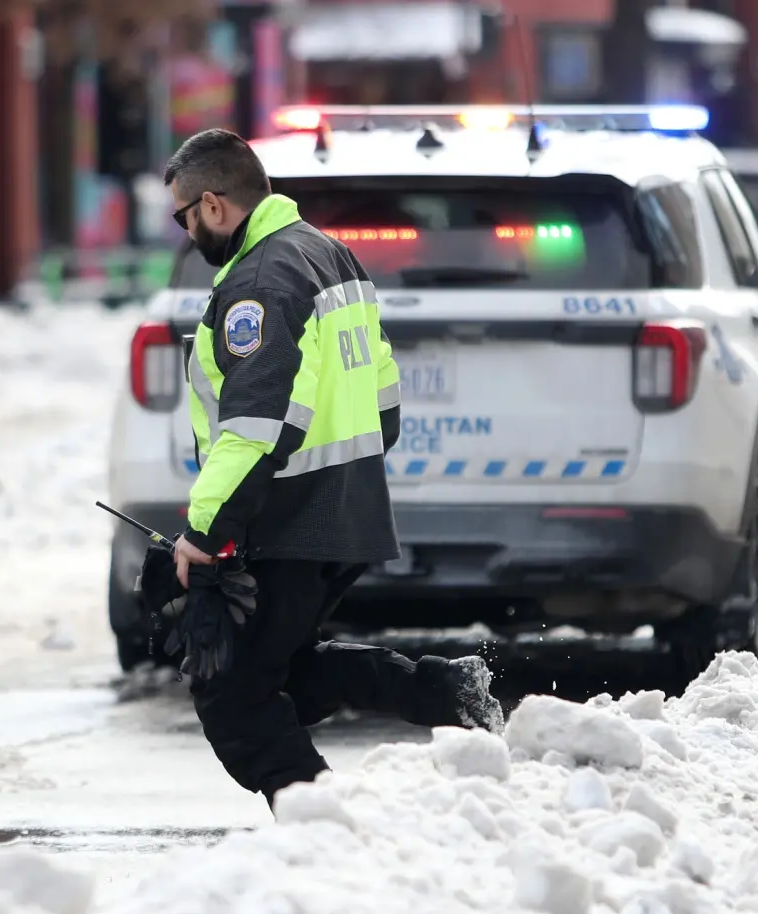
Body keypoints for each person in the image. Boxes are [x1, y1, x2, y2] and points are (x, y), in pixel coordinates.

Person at [158, 128, 503, 809]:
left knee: (236, 699)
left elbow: (255, 427)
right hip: (343, 511)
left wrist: (205, 530)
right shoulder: (324, 253)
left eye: (184, 216)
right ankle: (445, 691)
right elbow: (384, 396)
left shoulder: (259, 283)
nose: (186, 232)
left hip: (288, 520)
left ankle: (320, 826)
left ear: (214, 205)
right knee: (282, 669)